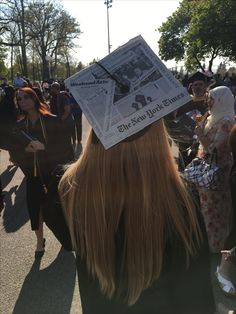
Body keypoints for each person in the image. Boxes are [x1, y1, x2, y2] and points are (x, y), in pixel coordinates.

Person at [50, 120, 216, 314]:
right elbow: (197, 293)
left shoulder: (69, 190)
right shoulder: (180, 199)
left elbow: (66, 239)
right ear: (158, 137)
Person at [9, 87, 74, 258]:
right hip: (33, 174)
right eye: (19, 99)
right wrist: (26, 150)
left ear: (35, 97)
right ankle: (39, 241)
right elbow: (15, 151)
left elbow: (66, 146)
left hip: (53, 172)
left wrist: (44, 147)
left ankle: (67, 235)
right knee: (35, 208)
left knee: (60, 206)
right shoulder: (20, 126)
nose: (23, 101)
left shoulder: (52, 120)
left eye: (26, 97)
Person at [195, 86, 235, 253]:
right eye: (208, 98)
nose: (208, 102)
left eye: (211, 99)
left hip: (216, 172)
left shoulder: (226, 121)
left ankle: (216, 247)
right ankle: (210, 242)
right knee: (207, 209)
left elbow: (215, 151)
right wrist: (201, 125)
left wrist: (200, 135)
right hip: (206, 171)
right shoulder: (212, 117)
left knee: (215, 210)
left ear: (221, 100)